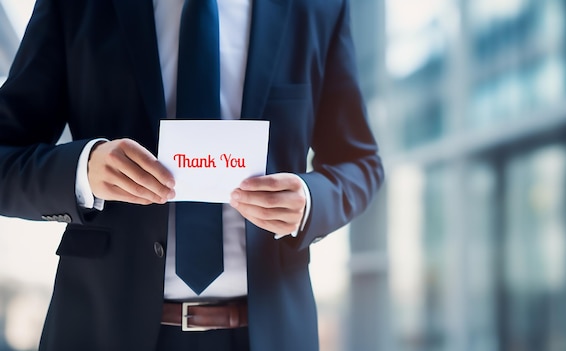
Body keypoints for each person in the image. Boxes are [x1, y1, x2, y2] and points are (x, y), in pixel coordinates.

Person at [0, 0, 383, 350]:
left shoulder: (318, 8)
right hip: (101, 329)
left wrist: (310, 201)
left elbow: (360, 162)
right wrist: (83, 169)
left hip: (270, 331)